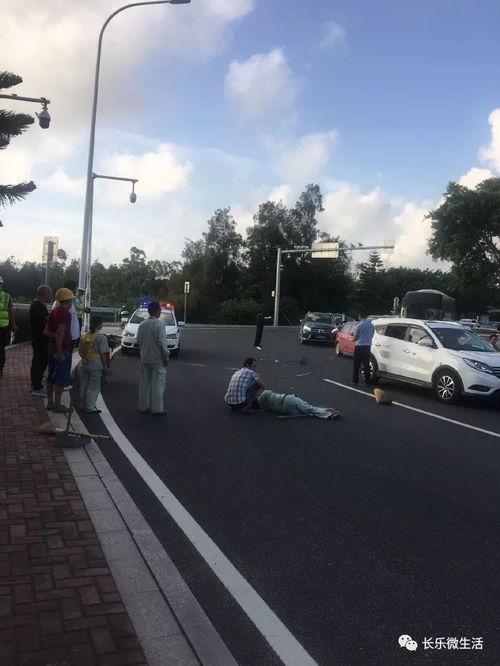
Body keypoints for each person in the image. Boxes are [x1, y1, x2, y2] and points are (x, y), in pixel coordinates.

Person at [136, 301, 169, 416]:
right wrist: (166, 356)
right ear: (157, 311)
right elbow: (162, 343)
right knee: (157, 385)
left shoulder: (142, 324)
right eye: (160, 310)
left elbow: (138, 340)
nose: (160, 311)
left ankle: (143, 406)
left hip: (144, 358)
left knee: (144, 384)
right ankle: (157, 409)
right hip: (157, 359)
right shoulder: (159, 325)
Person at [45, 287, 74, 413]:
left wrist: (55, 339)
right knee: (61, 378)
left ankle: (50, 403)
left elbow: (46, 331)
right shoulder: (65, 314)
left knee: (51, 376)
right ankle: (58, 405)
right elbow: (60, 334)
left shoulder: (54, 311)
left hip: (51, 348)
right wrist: (60, 352)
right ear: (68, 301)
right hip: (62, 349)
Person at [78, 315, 110, 414]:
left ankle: (83, 405)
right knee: (94, 386)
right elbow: (103, 354)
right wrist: (105, 367)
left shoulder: (85, 336)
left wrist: (84, 358)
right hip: (96, 363)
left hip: (84, 363)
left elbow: (80, 350)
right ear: (99, 324)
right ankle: (90, 407)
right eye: (102, 323)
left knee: (84, 385)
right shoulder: (101, 337)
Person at [29, 285, 53, 395]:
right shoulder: (39, 306)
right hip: (40, 339)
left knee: (38, 362)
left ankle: (35, 384)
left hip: (37, 338)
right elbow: (49, 320)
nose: (51, 296)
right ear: (44, 294)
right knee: (40, 362)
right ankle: (36, 387)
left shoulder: (36, 305)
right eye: (50, 294)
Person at [258, 390, 340, 419]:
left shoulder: (264, 408)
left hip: (285, 410)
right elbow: (265, 389)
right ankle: (328, 414)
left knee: (308, 411)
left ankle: (326, 411)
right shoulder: (265, 393)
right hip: (287, 400)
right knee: (309, 408)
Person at [52, 280, 86, 349]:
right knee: (65, 353)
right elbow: (59, 325)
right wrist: (59, 350)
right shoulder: (61, 303)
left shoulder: (69, 301)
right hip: (65, 337)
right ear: (71, 290)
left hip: (70, 336)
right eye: (76, 289)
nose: (76, 291)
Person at [352, 311, 375, 386]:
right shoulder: (371, 325)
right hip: (367, 346)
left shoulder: (358, 326)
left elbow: (355, 338)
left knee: (356, 365)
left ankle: (355, 381)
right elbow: (372, 335)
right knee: (366, 364)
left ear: (359, 317)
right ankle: (368, 382)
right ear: (366, 317)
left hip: (359, 347)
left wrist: (353, 338)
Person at [0, 276, 16, 377]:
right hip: (3, 327)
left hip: (3, 327)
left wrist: (13, 324)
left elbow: (11, 311)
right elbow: (11, 311)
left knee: (1, 348)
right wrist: (13, 324)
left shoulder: (7, 296)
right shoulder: (7, 296)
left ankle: (0, 368)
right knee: (1, 348)